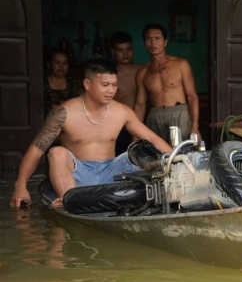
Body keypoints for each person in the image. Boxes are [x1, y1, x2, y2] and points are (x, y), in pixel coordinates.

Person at [9, 58, 172, 209]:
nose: (111, 90)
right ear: (87, 84)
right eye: (105, 85)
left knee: (142, 150)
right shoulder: (63, 113)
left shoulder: (121, 111)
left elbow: (151, 138)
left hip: (112, 172)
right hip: (78, 174)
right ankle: (69, 201)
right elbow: (36, 151)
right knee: (56, 152)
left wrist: (179, 161)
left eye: (114, 85)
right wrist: (21, 186)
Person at [134, 23, 200, 144]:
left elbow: (192, 96)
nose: (153, 42)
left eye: (157, 38)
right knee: (156, 156)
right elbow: (140, 105)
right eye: (149, 39)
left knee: (181, 154)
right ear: (145, 43)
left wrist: (195, 126)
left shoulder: (181, 64)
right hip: (155, 116)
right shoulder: (142, 73)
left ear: (165, 42)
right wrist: (135, 134)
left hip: (179, 113)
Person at [110, 31, 144, 155]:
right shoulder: (108, 74)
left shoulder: (143, 70)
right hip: (116, 124)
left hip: (141, 121)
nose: (125, 54)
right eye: (120, 50)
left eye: (128, 49)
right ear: (113, 51)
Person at [43, 49, 82, 118]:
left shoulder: (74, 84)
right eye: (57, 63)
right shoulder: (41, 84)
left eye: (64, 63)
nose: (61, 67)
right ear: (49, 64)